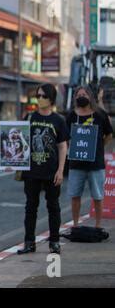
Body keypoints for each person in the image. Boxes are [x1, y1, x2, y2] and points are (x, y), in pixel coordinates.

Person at [18, 84, 69, 255]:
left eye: (43, 96)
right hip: (31, 171)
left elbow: (63, 147)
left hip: (51, 171)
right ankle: (29, 242)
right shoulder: (29, 117)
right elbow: (19, 139)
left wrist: (60, 170)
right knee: (30, 207)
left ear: (51, 99)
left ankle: (54, 242)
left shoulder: (58, 120)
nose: (39, 99)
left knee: (53, 207)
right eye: (37, 96)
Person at [66, 85, 113, 229]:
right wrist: (73, 148)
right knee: (75, 195)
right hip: (76, 164)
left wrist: (97, 148)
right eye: (79, 95)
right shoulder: (72, 116)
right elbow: (66, 137)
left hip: (96, 164)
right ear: (75, 98)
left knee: (98, 196)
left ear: (90, 97)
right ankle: (75, 224)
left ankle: (98, 225)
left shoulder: (100, 115)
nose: (82, 97)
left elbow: (109, 135)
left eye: (84, 95)